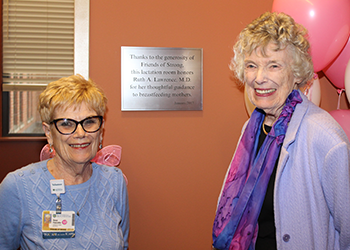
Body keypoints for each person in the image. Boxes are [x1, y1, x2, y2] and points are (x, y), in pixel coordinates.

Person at [212, 12, 350, 250]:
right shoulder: (252, 127)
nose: (259, 78)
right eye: (252, 66)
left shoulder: (324, 136)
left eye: (273, 66)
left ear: (296, 73)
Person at [0, 74, 129, 249]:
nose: (80, 133)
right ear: (48, 132)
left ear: (101, 130)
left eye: (89, 122)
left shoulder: (114, 181)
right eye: (67, 124)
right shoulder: (18, 187)